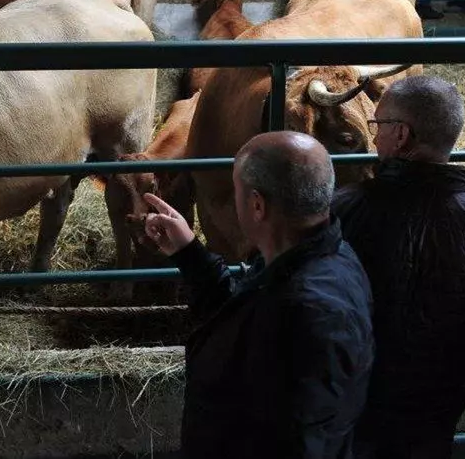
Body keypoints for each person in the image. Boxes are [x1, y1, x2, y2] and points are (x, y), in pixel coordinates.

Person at [333, 76, 465, 459]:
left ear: (401, 135)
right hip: (433, 418)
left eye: (377, 125)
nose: (374, 138)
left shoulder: (339, 212)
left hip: (346, 415)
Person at [141, 131, 375, 459]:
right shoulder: (323, 259)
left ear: (257, 205)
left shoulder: (306, 312)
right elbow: (241, 317)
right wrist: (189, 253)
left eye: (235, 191)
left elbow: (301, 442)